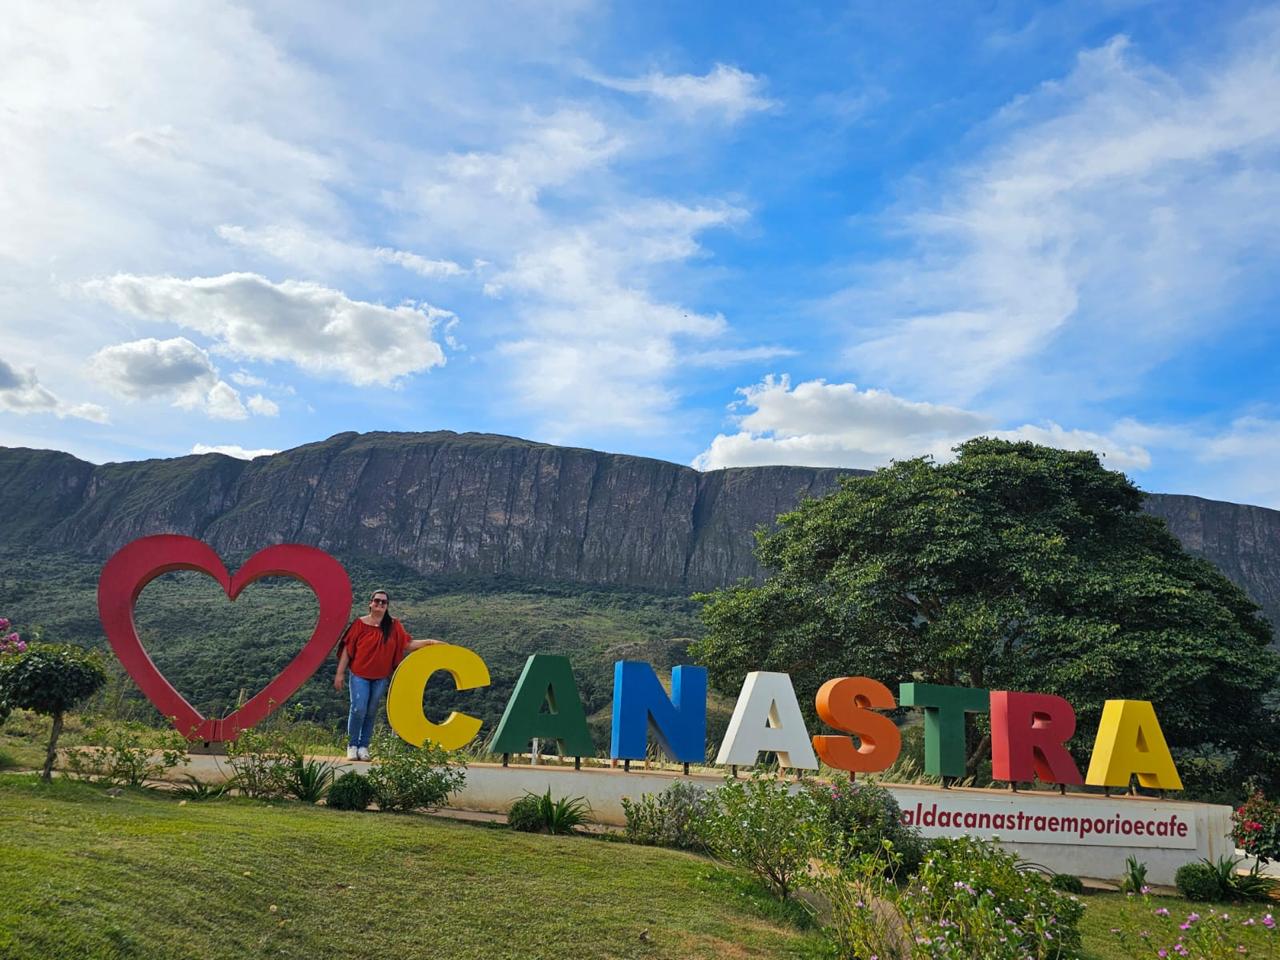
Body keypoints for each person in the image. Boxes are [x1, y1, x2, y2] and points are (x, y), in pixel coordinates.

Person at [334, 589, 441, 760]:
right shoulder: (359, 624)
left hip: (380, 677)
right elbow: (348, 649)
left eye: (384, 602)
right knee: (358, 708)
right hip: (359, 675)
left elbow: (407, 644)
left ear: (387, 606)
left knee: (371, 711)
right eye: (377, 601)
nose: (380, 604)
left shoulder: (393, 625)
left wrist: (429, 642)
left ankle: (363, 746)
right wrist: (340, 673)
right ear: (370, 603)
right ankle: (352, 745)